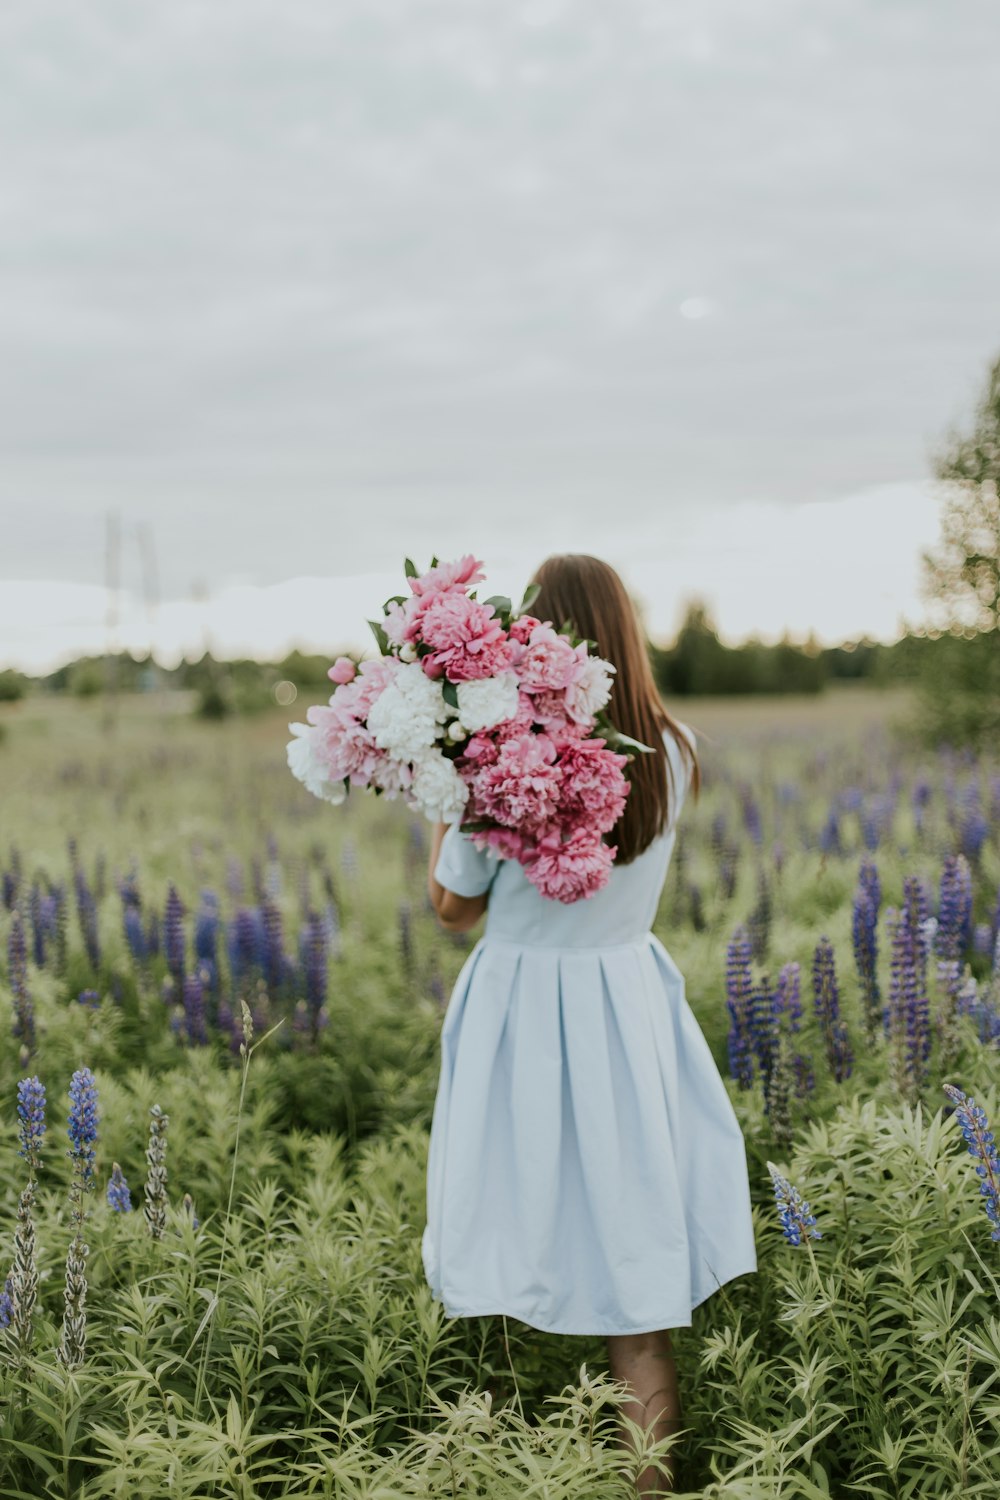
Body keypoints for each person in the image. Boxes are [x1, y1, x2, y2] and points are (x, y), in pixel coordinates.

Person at [423, 553, 758, 1495]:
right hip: (625, 1006)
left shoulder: (494, 759)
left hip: (522, 1013)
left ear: (537, 633)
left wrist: (442, 793)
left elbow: (454, 911)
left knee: (502, 1235)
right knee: (635, 1288)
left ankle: (489, 1464)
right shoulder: (676, 748)